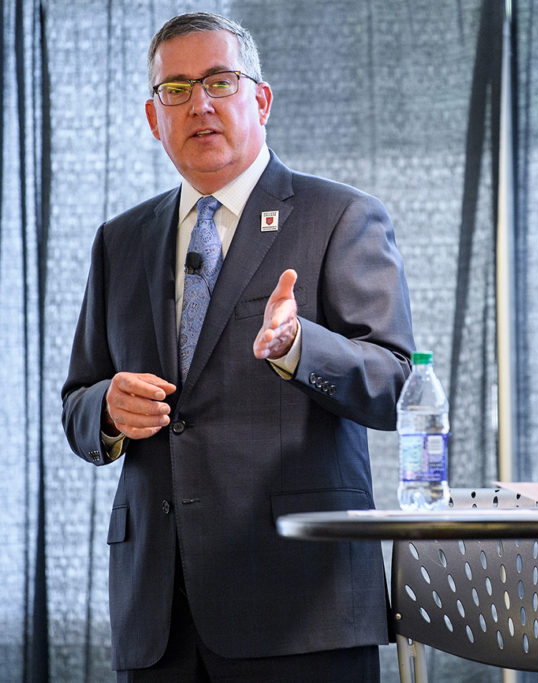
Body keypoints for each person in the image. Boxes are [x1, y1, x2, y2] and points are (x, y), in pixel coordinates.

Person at [61, 12, 414, 681]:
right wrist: (107, 409)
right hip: (159, 616)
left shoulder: (338, 217)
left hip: (301, 605)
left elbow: (396, 383)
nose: (199, 103)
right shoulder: (120, 240)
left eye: (219, 81)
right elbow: (77, 401)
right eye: (177, 88)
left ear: (260, 98)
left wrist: (298, 347)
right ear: (152, 115)